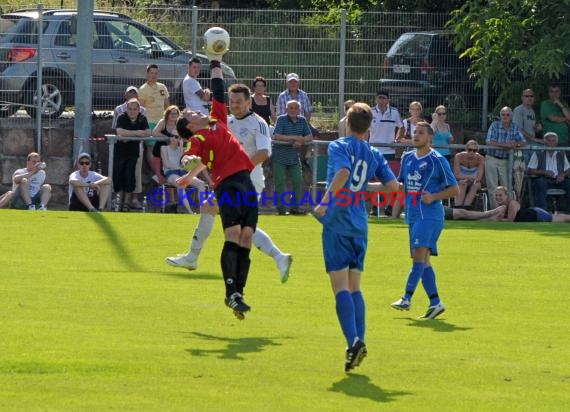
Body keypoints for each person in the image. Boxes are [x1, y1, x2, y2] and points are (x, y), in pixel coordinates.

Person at [165, 83, 293, 282]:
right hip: (232, 180)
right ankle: (280, 257)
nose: (235, 105)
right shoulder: (225, 122)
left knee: (212, 209)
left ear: (249, 102)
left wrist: (239, 171)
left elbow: (263, 153)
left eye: (239, 102)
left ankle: (192, 257)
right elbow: (215, 156)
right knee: (228, 218)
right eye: (232, 101)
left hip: (248, 180)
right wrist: (191, 176)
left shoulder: (258, 123)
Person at [172, 52, 259, 320]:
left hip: (246, 179)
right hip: (228, 185)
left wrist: (216, 60)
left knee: (246, 238)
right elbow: (189, 154)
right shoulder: (197, 136)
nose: (193, 110)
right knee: (233, 235)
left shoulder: (216, 120)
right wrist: (189, 163)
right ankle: (230, 292)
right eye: (189, 113)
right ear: (189, 125)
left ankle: (239, 294)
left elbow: (219, 91)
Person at [313, 102, 398, 372]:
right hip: (361, 223)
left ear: (347, 123)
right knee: (355, 287)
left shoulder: (339, 146)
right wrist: (362, 187)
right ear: (369, 127)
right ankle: (359, 342)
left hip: (338, 220)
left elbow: (343, 173)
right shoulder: (374, 153)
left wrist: (325, 202)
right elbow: (393, 186)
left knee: (340, 288)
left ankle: (353, 341)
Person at [390, 122, 459, 319]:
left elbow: (455, 189)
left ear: (430, 137)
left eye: (421, 132)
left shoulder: (437, 160)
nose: (416, 135)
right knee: (423, 260)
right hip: (413, 214)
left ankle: (406, 298)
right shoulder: (408, 158)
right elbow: (401, 184)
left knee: (419, 256)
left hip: (430, 215)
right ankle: (435, 302)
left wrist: (434, 197)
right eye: (415, 132)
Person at [272, 100, 313, 215]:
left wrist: (301, 141)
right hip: (279, 156)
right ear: (286, 109)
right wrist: (295, 138)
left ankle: (294, 208)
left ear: (300, 110)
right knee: (279, 182)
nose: (293, 110)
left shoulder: (302, 120)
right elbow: (277, 135)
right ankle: (280, 209)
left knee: (298, 180)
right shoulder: (281, 119)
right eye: (291, 108)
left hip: (294, 157)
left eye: (296, 108)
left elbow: (309, 136)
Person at [112, 86, 148, 206]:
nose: (132, 111)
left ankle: (130, 201)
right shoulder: (121, 114)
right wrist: (137, 133)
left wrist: (130, 135)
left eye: (134, 93)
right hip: (120, 150)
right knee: (119, 173)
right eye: (130, 109)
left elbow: (147, 132)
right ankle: (118, 200)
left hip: (135, 150)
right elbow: (119, 131)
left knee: (132, 175)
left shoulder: (142, 116)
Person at [485, 106, 525, 208]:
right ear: (500, 115)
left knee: (507, 188)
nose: (505, 116)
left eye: (507, 115)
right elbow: (489, 142)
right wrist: (506, 145)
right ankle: (495, 213)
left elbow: (523, 142)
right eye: (503, 114)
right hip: (492, 158)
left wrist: (515, 144)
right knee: (492, 187)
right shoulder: (494, 125)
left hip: (505, 160)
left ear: (511, 116)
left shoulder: (515, 127)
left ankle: (507, 211)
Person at [138, 64, 170, 185]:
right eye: (152, 73)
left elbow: (168, 104)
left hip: (162, 122)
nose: (154, 75)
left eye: (156, 73)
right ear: (147, 74)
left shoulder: (162, 87)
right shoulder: (142, 89)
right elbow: (141, 109)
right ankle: (157, 174)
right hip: (149, 122)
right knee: (151, 148)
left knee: (165, 147)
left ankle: (166, 171)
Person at [526, 132, 570, 213]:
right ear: (544, 142)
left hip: (559, 180)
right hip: (545, 179)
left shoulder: (561, 153)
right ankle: (542, 212)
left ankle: (568, 213)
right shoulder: (538, 153)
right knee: (540, 182)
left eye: (553, 141)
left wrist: (563, 175)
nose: (551, 143)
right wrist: (544, 172)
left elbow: (568, 170)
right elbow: (529, 170)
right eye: (549, 141)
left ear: (556, 143)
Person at [495, 185, 570, 222]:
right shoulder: (502, 206)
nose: (498, 197)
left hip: (536, 214)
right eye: (496, 195)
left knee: (556, 218)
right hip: (532, 213)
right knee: (555, 217)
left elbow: (511, 220)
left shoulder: (512, 203)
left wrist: (501, 219)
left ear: (506, 196)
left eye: (500, 195)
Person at [369, 90, 403, 161]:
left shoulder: (394, 112)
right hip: (373, 149)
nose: (381, 100)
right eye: (379, 97)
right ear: (376, 99)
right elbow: (365, 129)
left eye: (383, 98)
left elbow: (402, 127)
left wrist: (396, 141)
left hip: (389, 150)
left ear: (388, 100)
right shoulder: (370, 112)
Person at [453, 140, 484, 207]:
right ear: (466, 149)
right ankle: (458, 207)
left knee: (475, 185)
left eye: (474, 150)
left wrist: (470, 179)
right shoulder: (459, 156)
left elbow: (479, 177)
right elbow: (456, 175)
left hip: (474, 181)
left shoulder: (480, 158)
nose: (472, 152)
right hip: (461, 180)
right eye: (470, 150)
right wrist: (468, 178)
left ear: (477, 151)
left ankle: (466, 207)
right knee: (462, 183)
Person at [540, 83, 570, 147]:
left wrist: (560, 104)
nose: (554, 94)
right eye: (552, 91)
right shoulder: (545, 104)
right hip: (550, 141)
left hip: (564, 140)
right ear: (549, 93)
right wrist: (565, 119)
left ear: (560, 93)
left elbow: (569, 117)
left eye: (557, 91)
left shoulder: (564, 104)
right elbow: (553, 118)